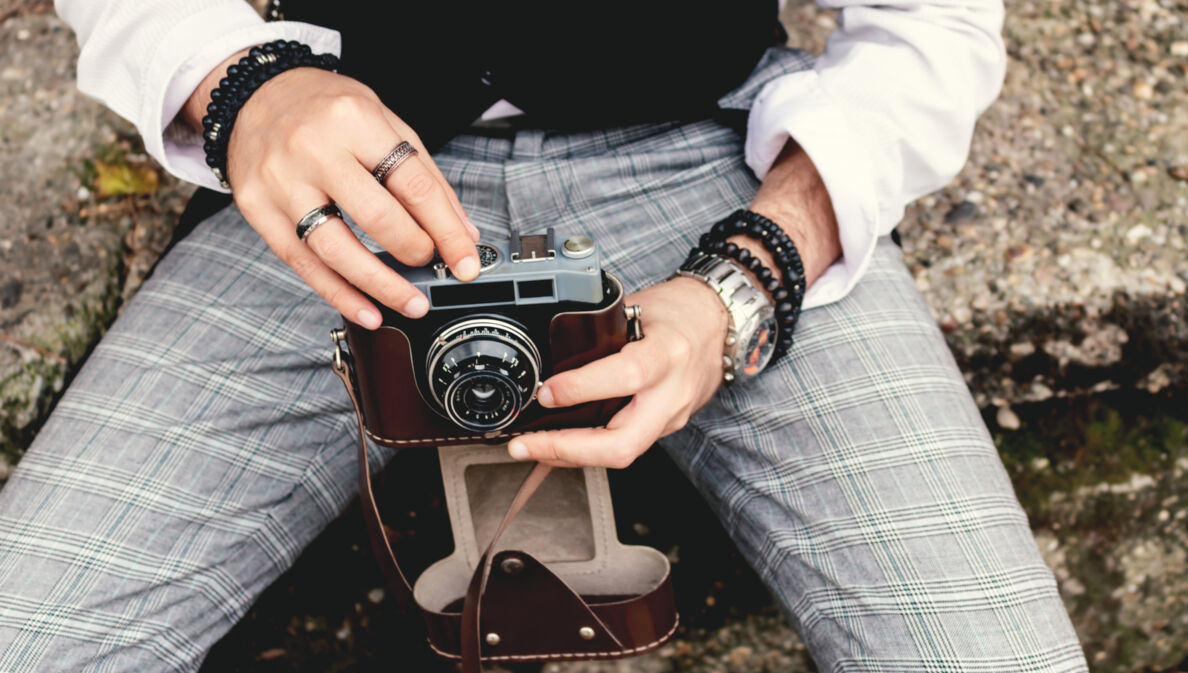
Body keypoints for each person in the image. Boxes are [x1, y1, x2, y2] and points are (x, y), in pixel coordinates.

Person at [0, 0, 1089, 670]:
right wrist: (241, 88)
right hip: (339, 179)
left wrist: (751, 277)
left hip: (714, 159)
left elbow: (929, 27)